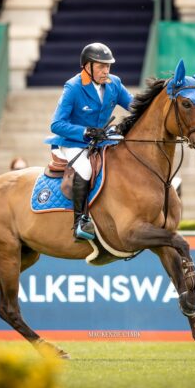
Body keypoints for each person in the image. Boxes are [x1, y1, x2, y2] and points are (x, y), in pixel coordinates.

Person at [45, 43, 133, 241]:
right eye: (101, 66)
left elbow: (134, 106)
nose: (106, 71)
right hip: (74, 142)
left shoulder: (115, 83)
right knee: (84, 169)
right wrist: (85, 131)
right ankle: (80, 222)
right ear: (87, 67)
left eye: (108, 66)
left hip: (103, 140)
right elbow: (56, 124)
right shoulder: (74, 87)